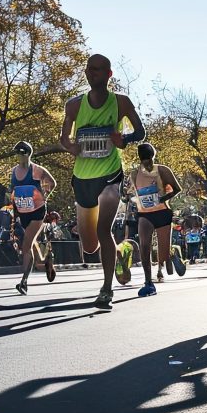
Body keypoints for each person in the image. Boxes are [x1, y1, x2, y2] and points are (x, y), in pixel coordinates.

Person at [60, 54, 145, 310]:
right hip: (82, 178)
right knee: (90, 246)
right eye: (89, 69)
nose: (92, 73)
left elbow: (141, 132)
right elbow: (64, 138)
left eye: (98, 69)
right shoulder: (74, 105)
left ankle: (106, 290)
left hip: (110, 175)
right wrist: (71, 147)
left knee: (103, 230)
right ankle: (121, 252)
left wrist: (125, 140)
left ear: (109, 74)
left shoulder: (121, 102)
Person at [128, 143, 183, 297]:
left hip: (162, 213)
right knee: (144, 245)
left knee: (163, 254)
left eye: (149, 158)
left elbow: (177, 189)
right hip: (144, 214)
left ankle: (173, 254)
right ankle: (148, 282)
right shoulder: (134, 173)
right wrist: (129, 197)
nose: (147, 162)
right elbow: (134, 194)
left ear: (153, 156)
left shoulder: (162, 170)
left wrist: (162, 198)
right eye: (144, 159)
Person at [9, 141, 56, 295]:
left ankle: (24, 282)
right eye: (17, 153)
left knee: (27, 244)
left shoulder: (36, 170)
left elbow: (52, 183)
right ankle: (46, 259)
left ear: (28, 154)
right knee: (30, 244)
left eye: (22, 153)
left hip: (37, 212)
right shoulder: (14, 171)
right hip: (23, 212)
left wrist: (44, 195)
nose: (19, 156)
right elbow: (13, 190)